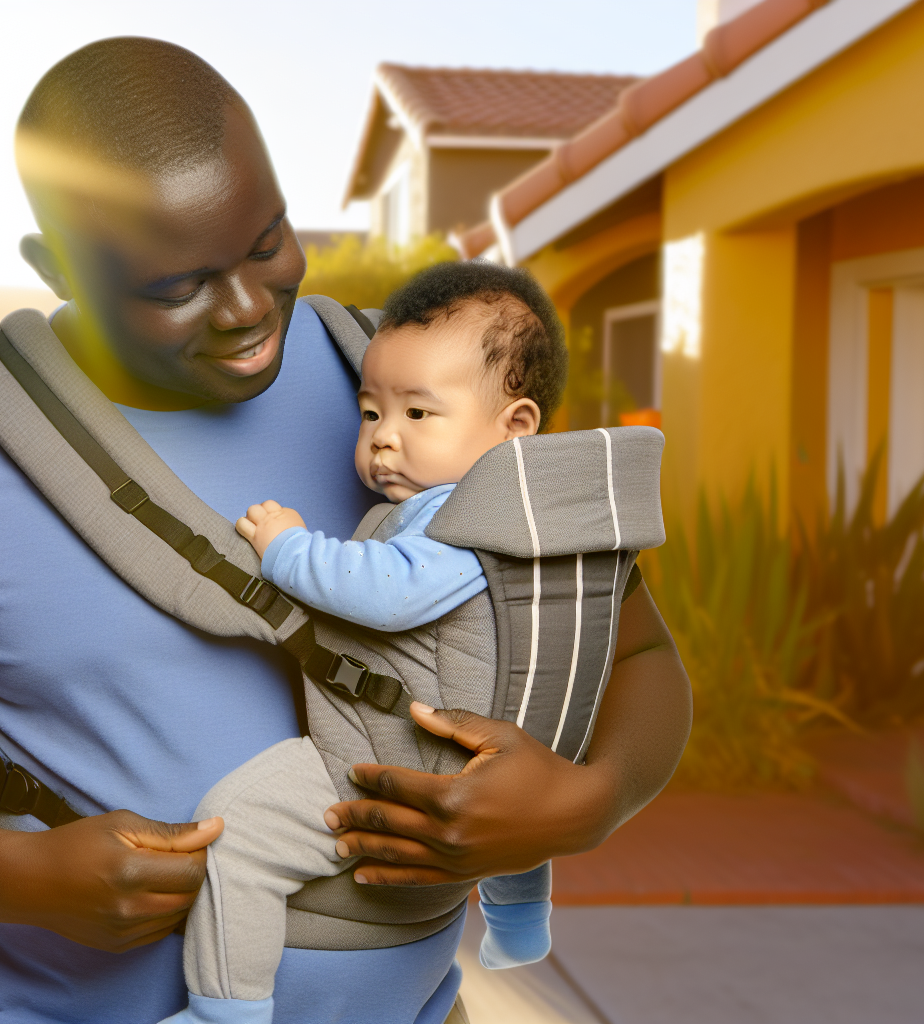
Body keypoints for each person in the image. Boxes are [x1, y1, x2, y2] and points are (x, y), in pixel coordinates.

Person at [0, 36, 691, 1024]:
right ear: (55, 268)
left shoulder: (417, 384)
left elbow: (629, 648)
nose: (247, 309)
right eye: (177, 288)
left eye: (266, 242)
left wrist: (586, 802)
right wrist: (0, 871)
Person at [163, 262, 650, 1024]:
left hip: (388, 760)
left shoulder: (459, 519)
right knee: (515, 796)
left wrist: (287, 547)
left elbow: (389, 593)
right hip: (495, 745)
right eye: (370, 412)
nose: (383, 438)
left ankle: (226, 1011)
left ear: (515, 427)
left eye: (418, 413)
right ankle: (521, 925)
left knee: (239, 833)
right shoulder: (541, 522)